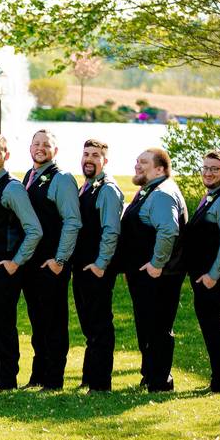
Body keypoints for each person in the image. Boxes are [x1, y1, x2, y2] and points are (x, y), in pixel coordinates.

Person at [114, 147, 187, 393]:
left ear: (160, 168)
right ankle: (151, 375)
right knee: (146, 326)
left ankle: (161, 382)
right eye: (136, 160)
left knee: (158, 328)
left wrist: (157, 264)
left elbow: (168, 231)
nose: (137, 165)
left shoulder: (163, 194)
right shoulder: (149, 191)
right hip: (144, 275)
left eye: (143, 162)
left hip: (160, 276)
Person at [0, 135, 42, 390]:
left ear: (7, 155)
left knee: (3, 325)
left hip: (5, 268)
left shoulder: (13, 187)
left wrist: (16, 262)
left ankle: (7, 380)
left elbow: (34, 230)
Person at [20, 129, 81, 390]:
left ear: (55, 150)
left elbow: (72, 222)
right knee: (37, 321)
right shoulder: (28, 176)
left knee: (54, 322)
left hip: (51, 264)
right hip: (31, 263)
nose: (40, 148)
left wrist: (60, 259)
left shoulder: (62, 179)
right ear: (30, 147)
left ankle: (54, 378)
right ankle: (38, 374)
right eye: (36, 144)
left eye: (46, 144)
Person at [184, 150, 220, 393]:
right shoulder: (213, 195)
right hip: (204, 273)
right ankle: (219, 380)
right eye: (205, 168)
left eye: (214, 169)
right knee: (211, 327)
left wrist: (212, 275)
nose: (208, 173)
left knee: (217, 327)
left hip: (215, 274)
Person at [71, 139, 124, 392]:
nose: (89, 159)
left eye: (95, 155)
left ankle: (101, 383)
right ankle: (89, 377)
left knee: (100, 325)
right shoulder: (87, 187)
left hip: (97, 268)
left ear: (105, 160)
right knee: (89, 324)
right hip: (82, 267)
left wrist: (101, 264)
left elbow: (111, 230)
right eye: (86, 154)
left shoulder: (108, 190)